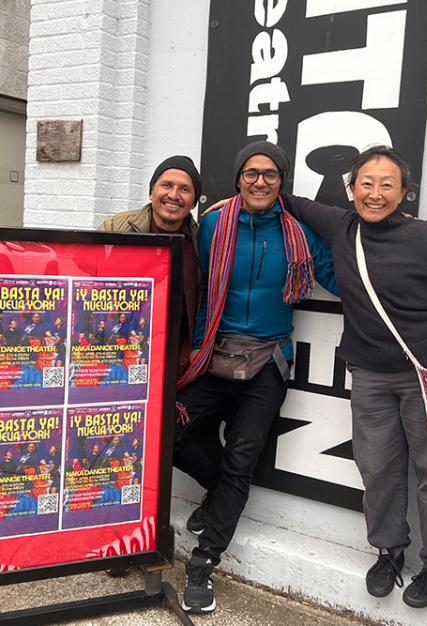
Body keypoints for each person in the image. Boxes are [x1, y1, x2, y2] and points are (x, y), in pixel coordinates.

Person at [278, 145, 427, 609]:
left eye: (387, 185)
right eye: (366, 183)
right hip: (371, 376)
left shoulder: (426, 238)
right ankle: (389, 550)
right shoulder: (342, 227)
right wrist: (233, 199)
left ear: (404, 192)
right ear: (351, 188)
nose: (375, 194)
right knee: (377, 470)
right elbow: (287, 200)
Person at [173, 140, 338, 614]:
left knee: (242, 459)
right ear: (238, 178)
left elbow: (342, 274)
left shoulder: (300, 234)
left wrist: (393, 245)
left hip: (268, 361)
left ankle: (204, 562)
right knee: (170, 432)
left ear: (282, 181)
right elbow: (172, 258)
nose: (260, 181)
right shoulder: (210, 224)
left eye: (269, 174)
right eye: (251, 173)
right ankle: (219, 493)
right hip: (210, 353)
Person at [98, 155, 202, 376]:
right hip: (121, 352)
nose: (174, 195)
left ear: (194, 202)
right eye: (166, 185)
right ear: (151, 191)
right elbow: (88, 278)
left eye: (185, 189)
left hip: (178, 361)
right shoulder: (116, 227)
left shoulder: (200, 240)